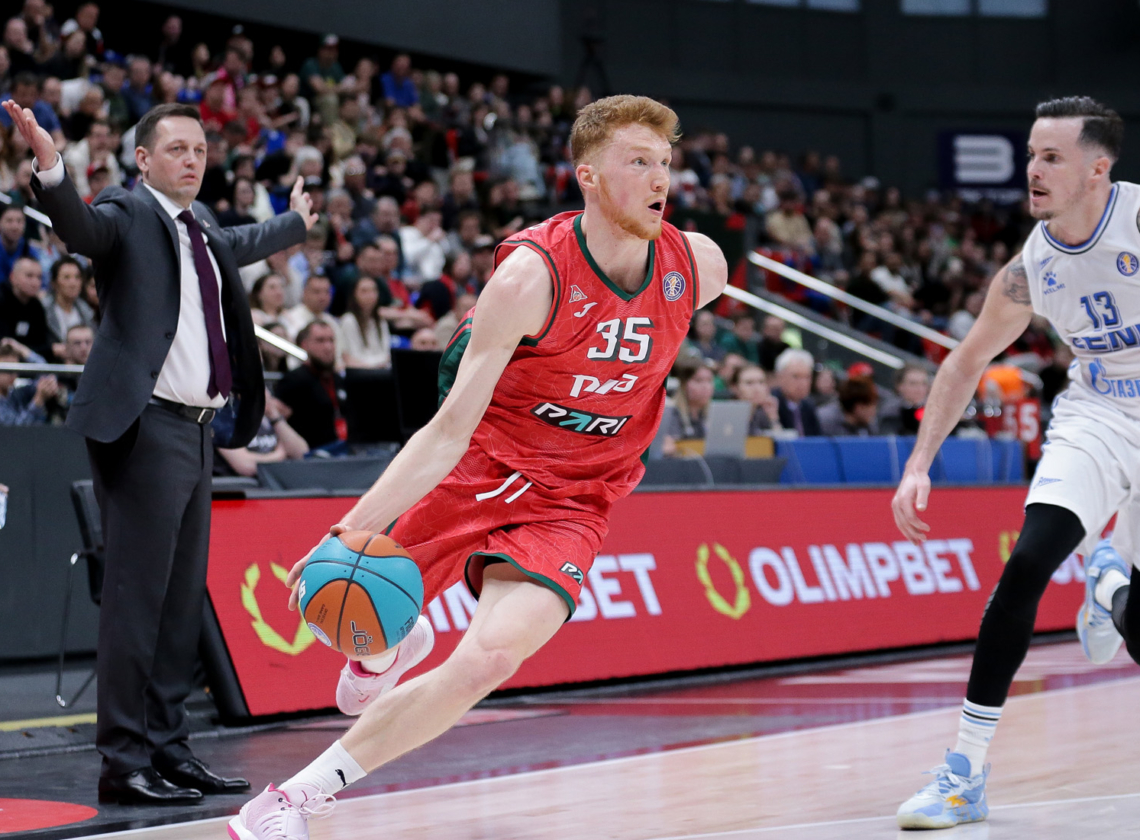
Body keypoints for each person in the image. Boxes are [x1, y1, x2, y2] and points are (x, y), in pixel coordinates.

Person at [229, 93, 728, 840]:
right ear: (589, 177)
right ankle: (387, 651)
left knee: (489, 658)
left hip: (576, 498)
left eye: (665, 161)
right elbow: (445, 432)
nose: (661, 178)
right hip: (484, 463)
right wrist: (346, 528)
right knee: (347, 606)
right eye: (638, 161)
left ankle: (290, 800)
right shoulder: (530, 278)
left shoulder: (699, 266)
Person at [5, 98, 315, 805]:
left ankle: (170, 749)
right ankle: (123, 761)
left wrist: (296, 222)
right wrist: (51, 167)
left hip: (198, 431)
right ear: (143, 159)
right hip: (145, 428)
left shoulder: (201, 227)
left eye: (200, 150)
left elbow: (244, 240)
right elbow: (81, 229)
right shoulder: (128, 210)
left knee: (178, 605)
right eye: (177, 149)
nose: (192, 160)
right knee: (137, 602)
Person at [892, 97, 1140, 830]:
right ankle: (963, 773)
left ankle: (1111, 584)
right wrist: (919, 464)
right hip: (1098, 416)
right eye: (1032, 155)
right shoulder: (1031, 267)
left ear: (1097, 170)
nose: (1033, 169)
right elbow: (965, 361)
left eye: (1051, 157)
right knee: (1028, 563)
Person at [274, 320, 347, 450]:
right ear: (305, 345)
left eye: (331, 340)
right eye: (320, 341)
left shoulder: (339, 380)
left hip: (343, 449)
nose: (328, 347)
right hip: (309, 453)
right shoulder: (293, 380)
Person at [216, 389, 309, 478]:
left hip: (276, 481)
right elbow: (246, 466)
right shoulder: (222, 419)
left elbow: (301, 454)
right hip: (244, 485)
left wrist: (274, 415)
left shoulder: (269, 417)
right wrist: (280, 455)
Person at [42, 255, 94, 357]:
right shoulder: (42, 310)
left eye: (77, 277)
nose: (73, 283)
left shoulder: (87, 312)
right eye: (66, 277)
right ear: (54, 283)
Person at [0, 256, 51, 358]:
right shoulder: (2, 299)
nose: (35, 283)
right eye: (29, 276)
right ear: (13, 277)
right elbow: (5, 344)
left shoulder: (37, 306)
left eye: (39, 277)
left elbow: (42, 344)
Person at [660, 360, 715, 454]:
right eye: (698, 380)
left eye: (709, 381)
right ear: (684, 384)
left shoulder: (714, 415)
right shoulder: (668, 414)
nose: (706, 386)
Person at [338, 275, 390, 369]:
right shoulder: (349, 320)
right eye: (364, 291)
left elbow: (386, 354)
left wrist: (381, 363)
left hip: (381, 370)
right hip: (360, 372)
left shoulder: (380, 320)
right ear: (354, 294)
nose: (370, 295)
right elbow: (353, 357)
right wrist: (378, 364)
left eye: (373, 290)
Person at [772, 348, 821, 436]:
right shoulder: (772, 404)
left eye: (807, 377)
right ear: (780, 377)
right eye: (796, 376)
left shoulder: (808, 406)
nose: (803, 383)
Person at [730, 363, 784, 435]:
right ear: (735, 388)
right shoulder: (727, 415)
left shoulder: (763, 413)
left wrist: (773, 418)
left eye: (761, 382)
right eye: (749, 383)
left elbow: (779, 439)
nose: (757, 388)